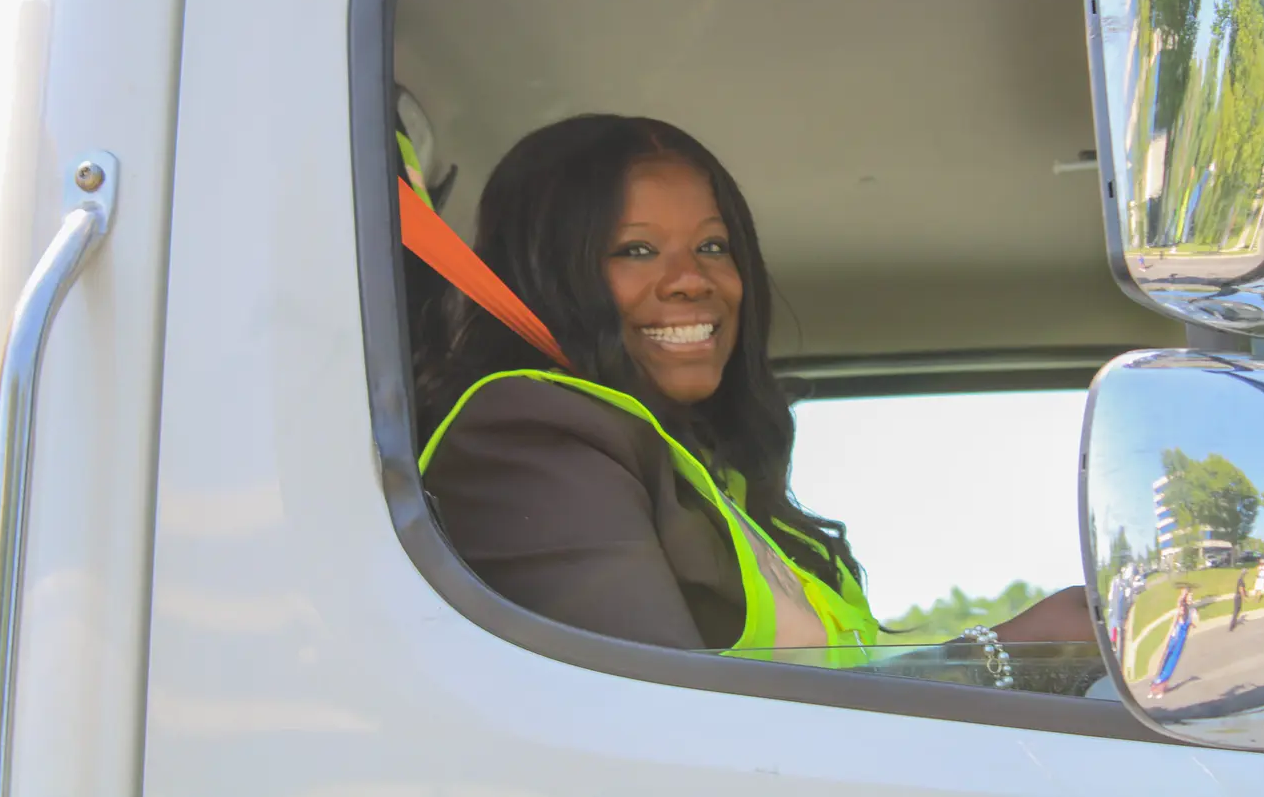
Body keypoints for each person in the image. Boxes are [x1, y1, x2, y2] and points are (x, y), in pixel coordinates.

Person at [414, 114, 1094, 668]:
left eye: (712, 247)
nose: (692, 280)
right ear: (548, 274)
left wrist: (1033, 650)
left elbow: (838, 696)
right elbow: (656, 729)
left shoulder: (723, 487)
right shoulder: (530, 432)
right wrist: (1001, 657)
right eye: (638, 250)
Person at [1149, 588, 1197, 699]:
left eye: (1192, 597)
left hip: (1180, 639)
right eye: (1190, 597)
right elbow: (1180, 605)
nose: (1191, 599)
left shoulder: (1191, 611)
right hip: (1175, 637)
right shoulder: (1183, 608)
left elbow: (1195, 622)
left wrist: (1192, 622)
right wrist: (1183, 595)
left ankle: (1160, 689)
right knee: (1164, 662)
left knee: (1171, 664)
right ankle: (1154, 688)